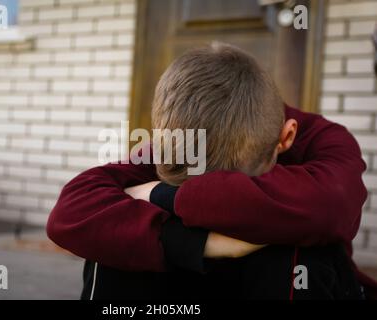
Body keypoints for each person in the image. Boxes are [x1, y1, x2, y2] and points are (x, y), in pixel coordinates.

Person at [47, 44, 377, 299]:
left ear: (287, 137)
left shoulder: (325, 141)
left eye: (240, 183)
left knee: (296, 236)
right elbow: (70, 211)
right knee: (116, 234)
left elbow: (331, 208)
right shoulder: (183, 137)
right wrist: (199, 242)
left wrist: (163, 194)